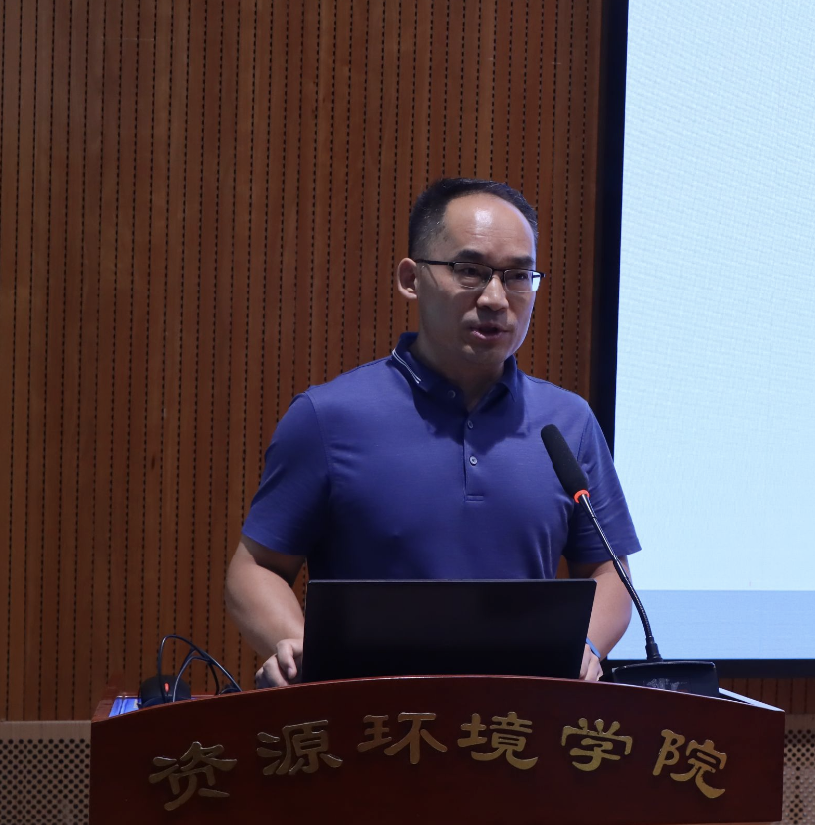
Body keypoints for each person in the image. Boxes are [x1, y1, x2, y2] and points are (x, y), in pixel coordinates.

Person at [225, 177, 639, 687]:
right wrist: (299, 646)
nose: (495, 298)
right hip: (369, 713)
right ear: (411, 278)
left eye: (517, 276)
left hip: (518, 718)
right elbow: (257, 567)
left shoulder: (567, 422)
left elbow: (608, 572)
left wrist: (586, 646)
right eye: (470, 271)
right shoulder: (328, 416)